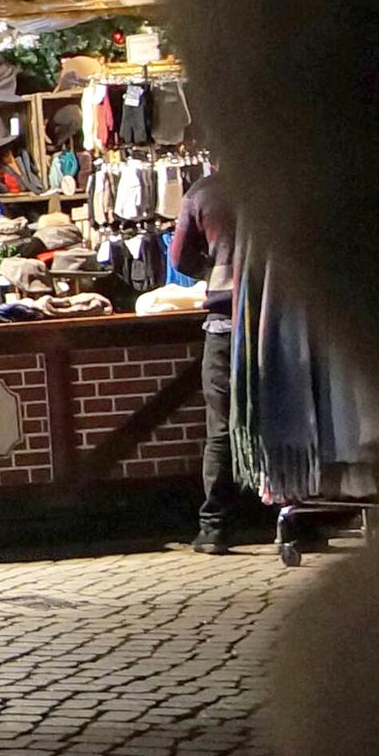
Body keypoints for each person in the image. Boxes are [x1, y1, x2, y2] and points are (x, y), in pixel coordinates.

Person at [174, 172, 241, 555]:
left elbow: (180, 257)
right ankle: (299, 514)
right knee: (289, 414)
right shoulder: (281, 183)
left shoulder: (202, 192)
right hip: (280, 319)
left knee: (220, 427)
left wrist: (215, 272)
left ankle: (215, 526)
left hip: (223, 323)